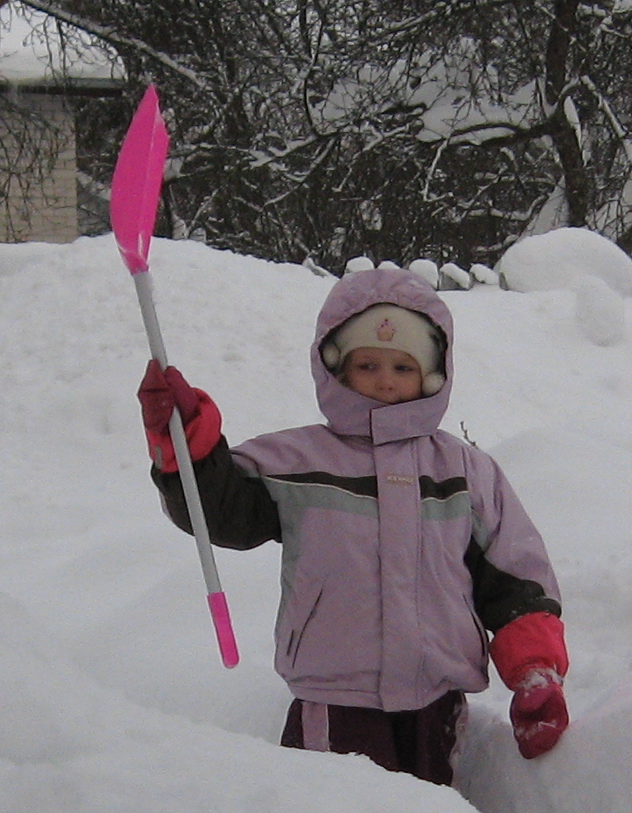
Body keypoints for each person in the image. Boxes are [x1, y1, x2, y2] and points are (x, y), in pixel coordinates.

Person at [140, 267, 568, 785]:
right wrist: (187, 442)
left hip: (436, 700)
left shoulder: (464, 473)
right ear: (337, 369)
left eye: (403, 366)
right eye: (367, 364)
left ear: (433, 375)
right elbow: (220, 509)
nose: (386, 380)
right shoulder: (298, 460)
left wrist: (533, 670)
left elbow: (517, 575)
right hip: (334, 700)